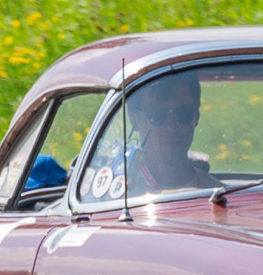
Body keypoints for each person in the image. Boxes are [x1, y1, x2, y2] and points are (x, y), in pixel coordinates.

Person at [83, 72, 217, 198]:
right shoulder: (110, 194)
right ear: (134, 118)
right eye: (157, 116)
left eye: (183, 114)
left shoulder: (217, 194)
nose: (171, 127)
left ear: (196, 117)